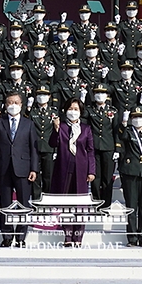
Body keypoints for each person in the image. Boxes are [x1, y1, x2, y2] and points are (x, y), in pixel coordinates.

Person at [0, 90, 39, 247]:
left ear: (21, 105)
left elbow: (33, 149)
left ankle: (21, 237)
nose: (13, 105)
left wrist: (34, 169)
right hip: (4, 168)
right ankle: (7, 236)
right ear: (5, 104)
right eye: (10, 102)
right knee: (5, 204)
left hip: (23, 168)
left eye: (16, 103)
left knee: (24, 204)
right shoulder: (0, 121)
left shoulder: (28, 124)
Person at [50, 98, 96, 247]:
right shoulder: (61, 127)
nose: (73, 112)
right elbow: (52, 143)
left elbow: (90, 151)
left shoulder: (86, 128)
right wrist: (56, 129)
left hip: (81, 169)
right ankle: (68, 235)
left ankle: (78, 237)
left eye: (76, 109)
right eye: (70, 109)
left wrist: (91, 170)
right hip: (64, 168)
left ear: (81, 112)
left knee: (80, 205)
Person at [116, 105, 142, 247]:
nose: (138, 120)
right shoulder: (128, 132)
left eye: (140, 117)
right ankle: (132, 238)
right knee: (131, 206)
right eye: (135, 117)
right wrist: (124, 123)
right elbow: (121, 135)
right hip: (130, 171)